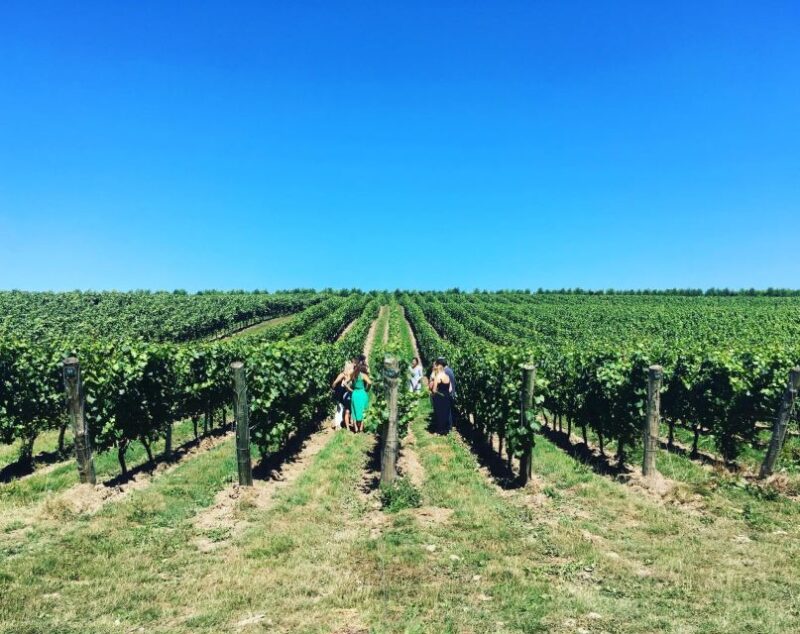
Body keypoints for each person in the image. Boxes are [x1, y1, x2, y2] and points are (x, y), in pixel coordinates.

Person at [349, 359, 371, 433]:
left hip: (355, 393)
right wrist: (367, 389)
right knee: (363, 410)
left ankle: (355, 427)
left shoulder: (352, 375)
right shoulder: (363, 375)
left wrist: (350, 390)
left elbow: (345, 382)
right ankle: (361, 427)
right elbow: (370, 382)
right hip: (362, 393)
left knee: (354, 410)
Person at [331, 361, 354, 430]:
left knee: (344, 409)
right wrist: (333, 389)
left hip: (345, 395)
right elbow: (334, 383)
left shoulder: (350, 376)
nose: (352, 369)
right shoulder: (342, 375)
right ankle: (337, 425)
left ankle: (343, 422)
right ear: (348, 368)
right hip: (340, 394)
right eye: (351, 368)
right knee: (340, 409)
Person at [431, 360, 452, 435]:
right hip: (447, 396)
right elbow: (450, 389)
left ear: (438, 369)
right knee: (445, 413)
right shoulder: (447, 376)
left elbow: (434, 389)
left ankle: (439, 430)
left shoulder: (438, 376)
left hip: (439, 396)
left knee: (439, 413)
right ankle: (445, 430)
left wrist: (435, 393)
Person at [437, 356, 457, 429]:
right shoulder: (450, 370)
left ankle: (449, 428)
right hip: (452, 393)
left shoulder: (445, 372)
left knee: (447, 412)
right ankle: (450, 426)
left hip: (448, 393)